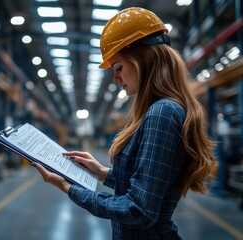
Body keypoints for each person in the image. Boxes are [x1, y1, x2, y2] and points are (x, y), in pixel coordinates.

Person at [33, 7, 216, 239]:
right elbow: (149, 182)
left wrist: (69, 188)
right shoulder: (160, 110)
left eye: (118, 67)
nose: (115, 78)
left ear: (143, 59)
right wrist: (101, 173)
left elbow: (139, 210)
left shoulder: (162, 112)